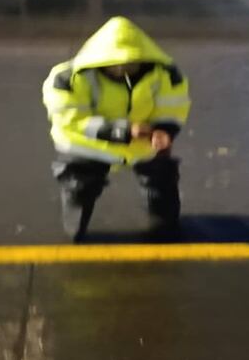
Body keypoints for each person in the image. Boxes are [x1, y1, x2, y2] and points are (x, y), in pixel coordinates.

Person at [43, 16, 191, 241]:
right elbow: (70, 119)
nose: (123, 68)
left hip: (143, 142)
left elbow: (174, 105)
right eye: (115, 63)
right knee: (79, 186)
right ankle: (75, 231)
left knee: (162, 181)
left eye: (131, 62)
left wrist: (164, 130)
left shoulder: (167, 75)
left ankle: (164, 228)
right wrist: (123, 131)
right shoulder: (67, 79)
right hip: (88, 145)